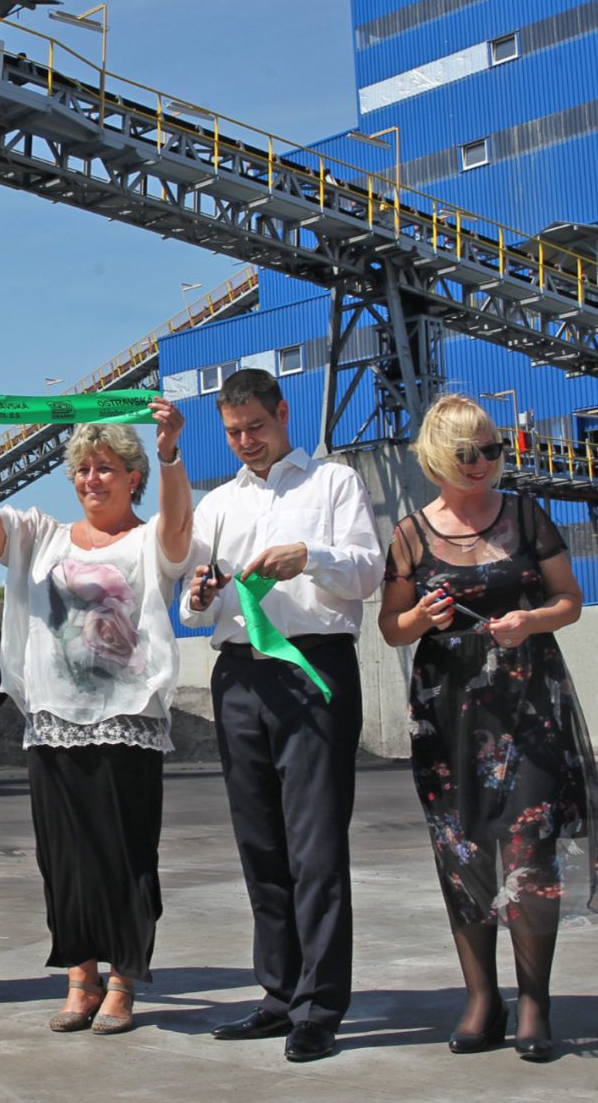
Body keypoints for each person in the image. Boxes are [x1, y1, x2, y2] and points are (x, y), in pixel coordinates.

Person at [0, 397, 193, 1036]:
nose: (92, 479)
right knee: (63, 858)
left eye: (106, 468)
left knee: (125, 856)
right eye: (82, 470)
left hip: (128, 720)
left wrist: (171, 450)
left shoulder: (150, 540)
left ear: (133, 477)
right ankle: (80, 976)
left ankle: (124, 981)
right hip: (54, 723)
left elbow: (180, 529)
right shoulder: (40, 536)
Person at [377, 393, 598, 1062]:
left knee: (530, 848)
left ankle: (534, 1000)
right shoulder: (410, 534)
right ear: (436, 458)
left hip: (528, 706)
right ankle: (482, 996)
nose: (483, 463)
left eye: (492, 449)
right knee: (463, 851)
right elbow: (390, 626)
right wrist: (422, 617)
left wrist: (530, 620)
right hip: (449, 714)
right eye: (467, 453)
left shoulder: (525, 516)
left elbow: (569, 600)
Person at [180, 368, 381, 1063]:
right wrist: (201, 594)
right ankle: (277, 993)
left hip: (314, 668)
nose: (245, 443)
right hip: (238, 675)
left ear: (282, 413)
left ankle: (320, 1006)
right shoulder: (216, 506)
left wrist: (311, 557)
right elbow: (191, 603)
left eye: (256, 429)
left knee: (315, 845)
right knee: (260, 842)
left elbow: (368, 572)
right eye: (233, 432)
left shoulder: (333, 485)